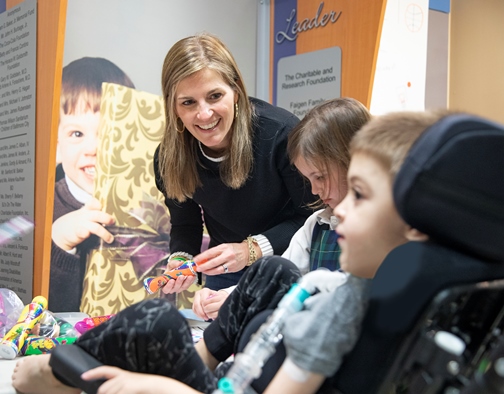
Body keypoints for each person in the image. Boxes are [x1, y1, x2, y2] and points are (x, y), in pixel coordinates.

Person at [12, 109, 448, 394]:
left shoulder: (354, 315)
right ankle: (71, 367)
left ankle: (60, 372)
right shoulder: (352, 288)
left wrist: (161, 389)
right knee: (272, 271)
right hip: (239, 368)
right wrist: (229, 301)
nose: (335, 210)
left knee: (157, 322)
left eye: (359, 194)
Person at [154, 33, 317, 292]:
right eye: (188, 102)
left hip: (287, 265)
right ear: (174, 108)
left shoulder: (280, 134)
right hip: (225, 272)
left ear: (236, 92)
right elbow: (186, 223)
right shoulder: (168, 158)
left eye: (215, 96)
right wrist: (181, 259)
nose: (204, 114)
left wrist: (249, 250)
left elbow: (311, 215)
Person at [192, 97, 371, 321]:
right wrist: (226, 296)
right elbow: (277, 276)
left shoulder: (388, 229)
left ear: (354, 161)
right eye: (309, 179)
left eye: (320, 177)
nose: (314, 190)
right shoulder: (316, 225)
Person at [49, 57, 136, 312]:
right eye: (77, 134)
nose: (93, 149)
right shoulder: (44, 211)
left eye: (107, 132)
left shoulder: (144, 204)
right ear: (56, 147)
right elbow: (36, 311)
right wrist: (60, 244)